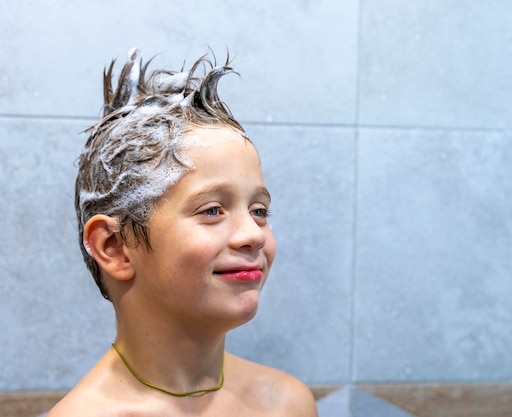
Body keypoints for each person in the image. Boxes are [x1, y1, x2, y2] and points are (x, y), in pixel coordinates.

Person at [47, 47, 318, 417]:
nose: (253, 235)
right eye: (212, 210)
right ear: (114, 247)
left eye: (259, 211)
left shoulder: (287, 404)